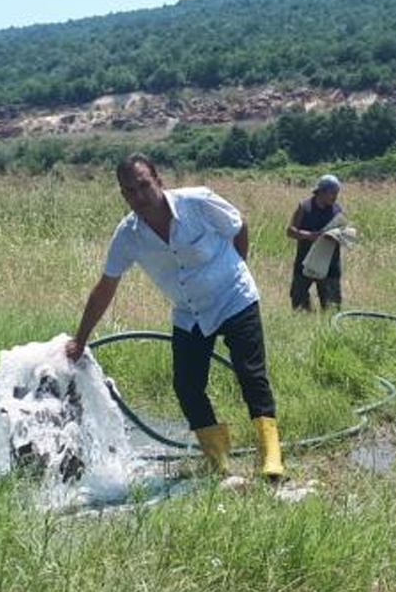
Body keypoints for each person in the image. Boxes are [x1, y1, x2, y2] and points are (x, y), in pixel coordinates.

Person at [65, 153, 283, 480]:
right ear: (124, 196)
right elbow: (105, 286)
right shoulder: (128, 236)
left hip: (234, 296)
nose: (139, 196)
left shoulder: (197, 202)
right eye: (130, 191)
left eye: (143, 185)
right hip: (190, 312)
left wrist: (237, 266)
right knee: (187, 385)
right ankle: (218, 461)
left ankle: (271, 456)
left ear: (159, 181)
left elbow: (238, 226)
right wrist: (80, 339)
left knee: (250, 373)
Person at [286, 174, 345, 310]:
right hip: (305, 263)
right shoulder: (304, 207)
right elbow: (290, 231)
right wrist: (309, 235)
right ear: (322, 191)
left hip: (330, 265)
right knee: (299, 303)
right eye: (332, 193)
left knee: (332, 307)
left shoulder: (337, 210)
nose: (335, 197)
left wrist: (339, 236)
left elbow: (342, 231)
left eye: (337, 193)